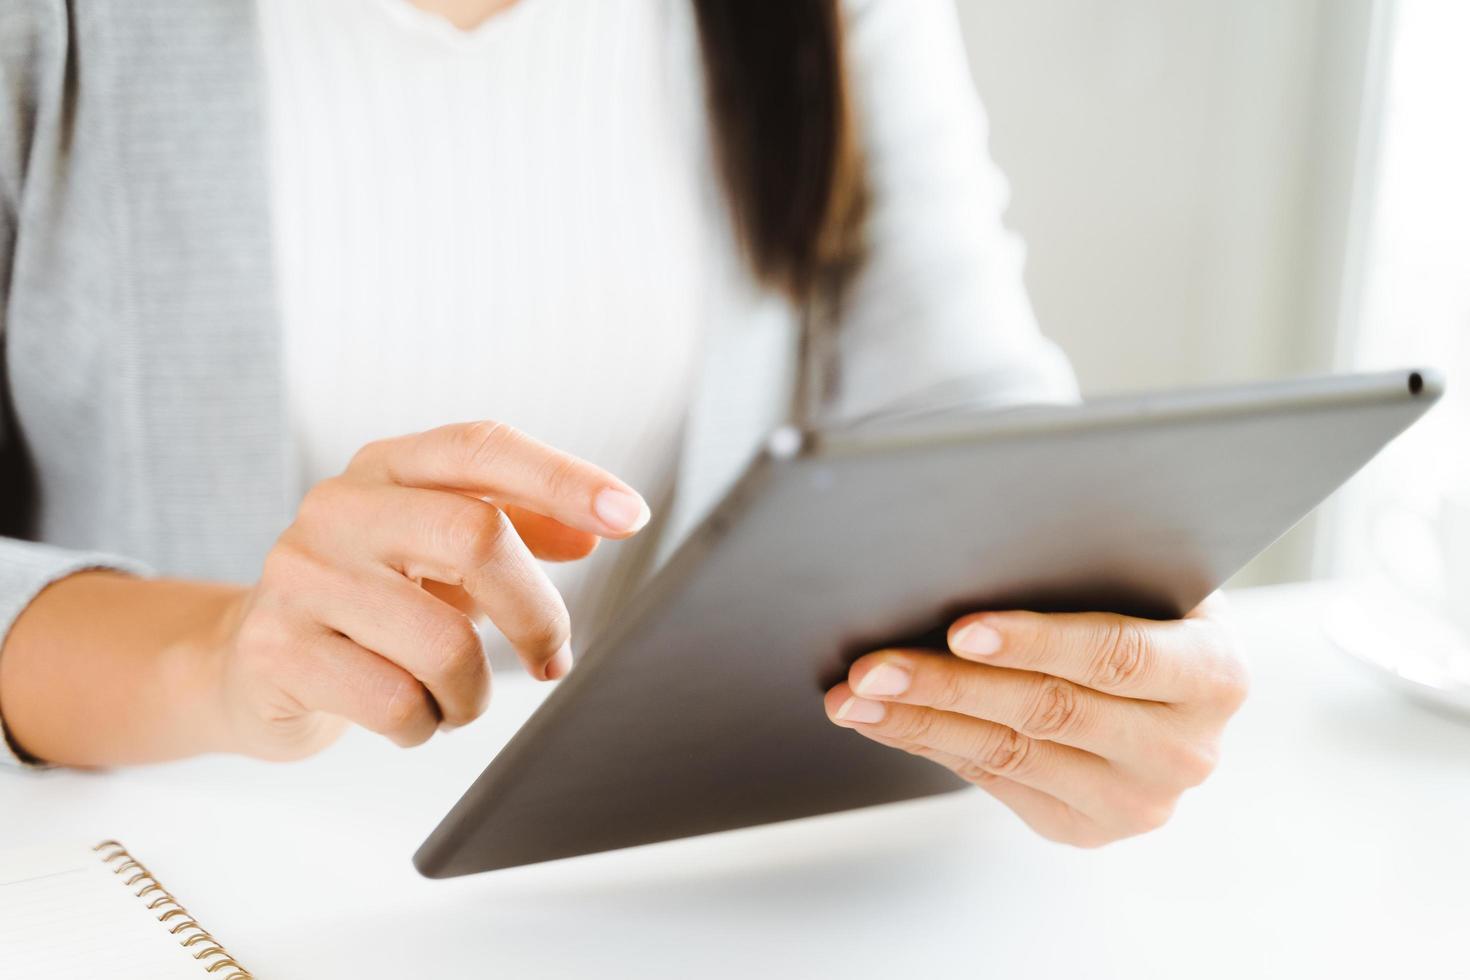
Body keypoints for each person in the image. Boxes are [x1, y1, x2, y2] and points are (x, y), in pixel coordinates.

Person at [0, 0, 1247, 848]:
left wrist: (1090, 648)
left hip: (667, 886)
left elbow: (959, 407)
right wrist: (218, 656)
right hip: (161, 881)